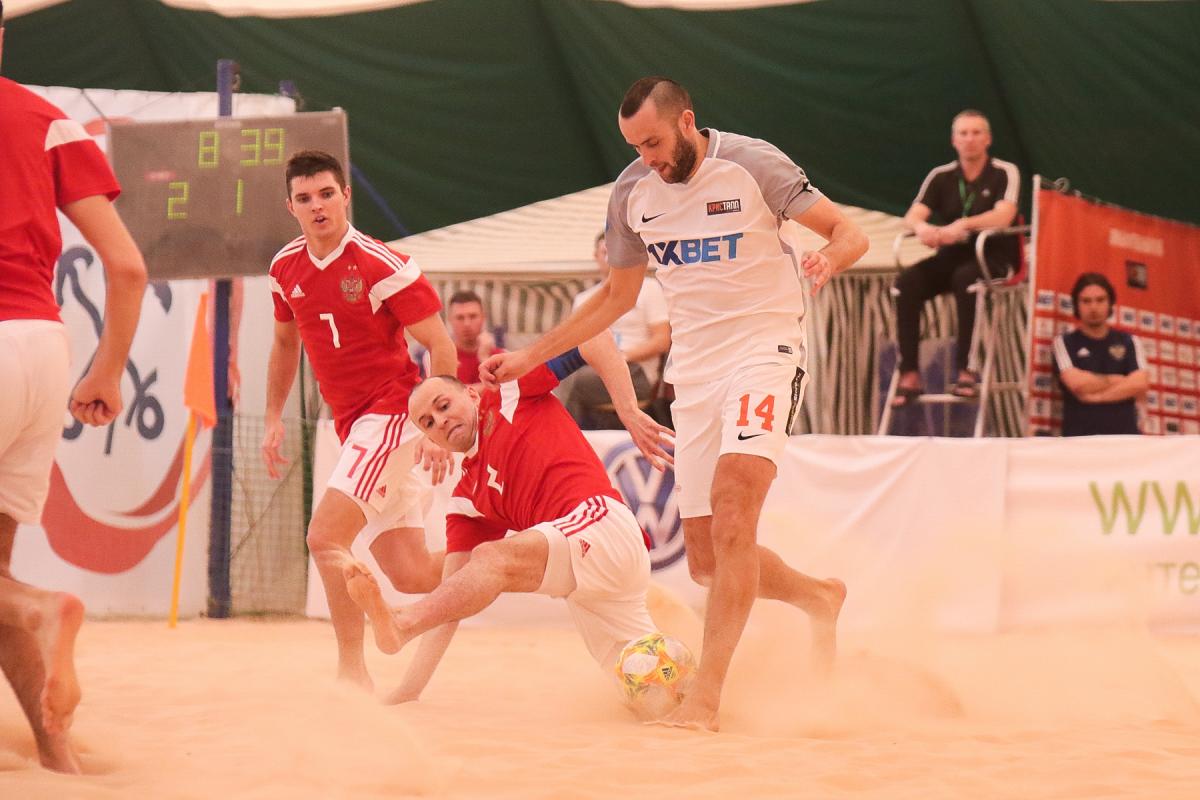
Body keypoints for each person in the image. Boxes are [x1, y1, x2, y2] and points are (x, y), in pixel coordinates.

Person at [482, 77, 863, 731]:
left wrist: (829, 258)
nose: (647, 157)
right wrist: (529, 356)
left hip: (765, 350)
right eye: (635, 146)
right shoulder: (632, 192)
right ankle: (819, 597)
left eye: (654, 142)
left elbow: (849, 231)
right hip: (694, 375)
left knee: (736, 517)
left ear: (687, 121)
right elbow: (615, 299)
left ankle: (705, 699)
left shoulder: (752, 164)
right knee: (710, 561)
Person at [343, 331, 674, 705]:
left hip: (603, 526)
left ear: (471, 394)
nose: (440, 420)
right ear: (431, 440)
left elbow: (593, 339)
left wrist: (628, 411)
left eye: (443, 405)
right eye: (429, 423)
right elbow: (450, 601)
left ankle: (403, 623)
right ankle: (695, 699)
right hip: (585, 584)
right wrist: (408, 690)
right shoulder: (466, 500)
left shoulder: (508, 391)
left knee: (491, 556)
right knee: (650, 690)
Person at [0, 1, 149, 772]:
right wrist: (107, 370)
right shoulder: (48, 119)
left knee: (11, 596)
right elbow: (127, 267)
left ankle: (38, 608)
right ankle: (59, 757)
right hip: (43, 346)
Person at [261, 149, 457, 691]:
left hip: (392, 415)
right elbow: (285, 345)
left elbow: (441, 346)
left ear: (346, 196)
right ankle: (519, 558)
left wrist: (435, 428)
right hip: (353, 425)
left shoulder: (383, 264)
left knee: (324, 538)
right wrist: (273, 416)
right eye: (305, 198)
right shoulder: (283, 268)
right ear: (291, 207)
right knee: (412, 573)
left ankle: (352, 675)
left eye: (327, 194)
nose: (317, 206)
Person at [891, 110, 1021, 406]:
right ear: (954, 140)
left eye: (976, 133)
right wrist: (924, 229)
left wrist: (964, 225)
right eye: (963, 133)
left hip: (993, 254)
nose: (969, 139)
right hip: (952, 255)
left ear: (987, 139)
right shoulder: (941, 176)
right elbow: (913, 215)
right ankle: (909, 372)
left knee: (967, 279)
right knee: (905, 283)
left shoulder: (1004, 172)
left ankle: (967, 371)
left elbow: (1004, 215)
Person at [562, 232, 671, 429]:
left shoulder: (648, 288)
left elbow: (662, 340)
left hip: (636, 369)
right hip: (595, 368)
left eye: (615, 252)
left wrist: (619, 357)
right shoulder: (584, 299)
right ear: (595, 256)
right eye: (605, 252)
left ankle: (562, 437)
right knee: (559, 372)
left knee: (574, 380)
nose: (610, 258)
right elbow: (575, 345)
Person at [1053, 273, 1148, 436]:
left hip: (1125, 439)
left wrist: (1097, 397)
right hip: (1079, 440)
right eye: (1086, 301)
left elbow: (1139, 383)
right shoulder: (1064, 342)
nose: (1093, 307)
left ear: (1110, 302)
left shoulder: (1129, 341)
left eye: (1100, 300)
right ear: (1076, 305)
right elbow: (1077, 384)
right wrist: (1118, 380)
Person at [415, 289, 503, 389]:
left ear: (483, 317)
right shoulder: (438, 354)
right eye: (460, 318)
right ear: (450, 319)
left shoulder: (501, 356)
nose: (467, 324)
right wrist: (489, 387)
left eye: (473, 316)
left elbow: (505, 391)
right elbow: (441, 392)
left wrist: (485, 359)